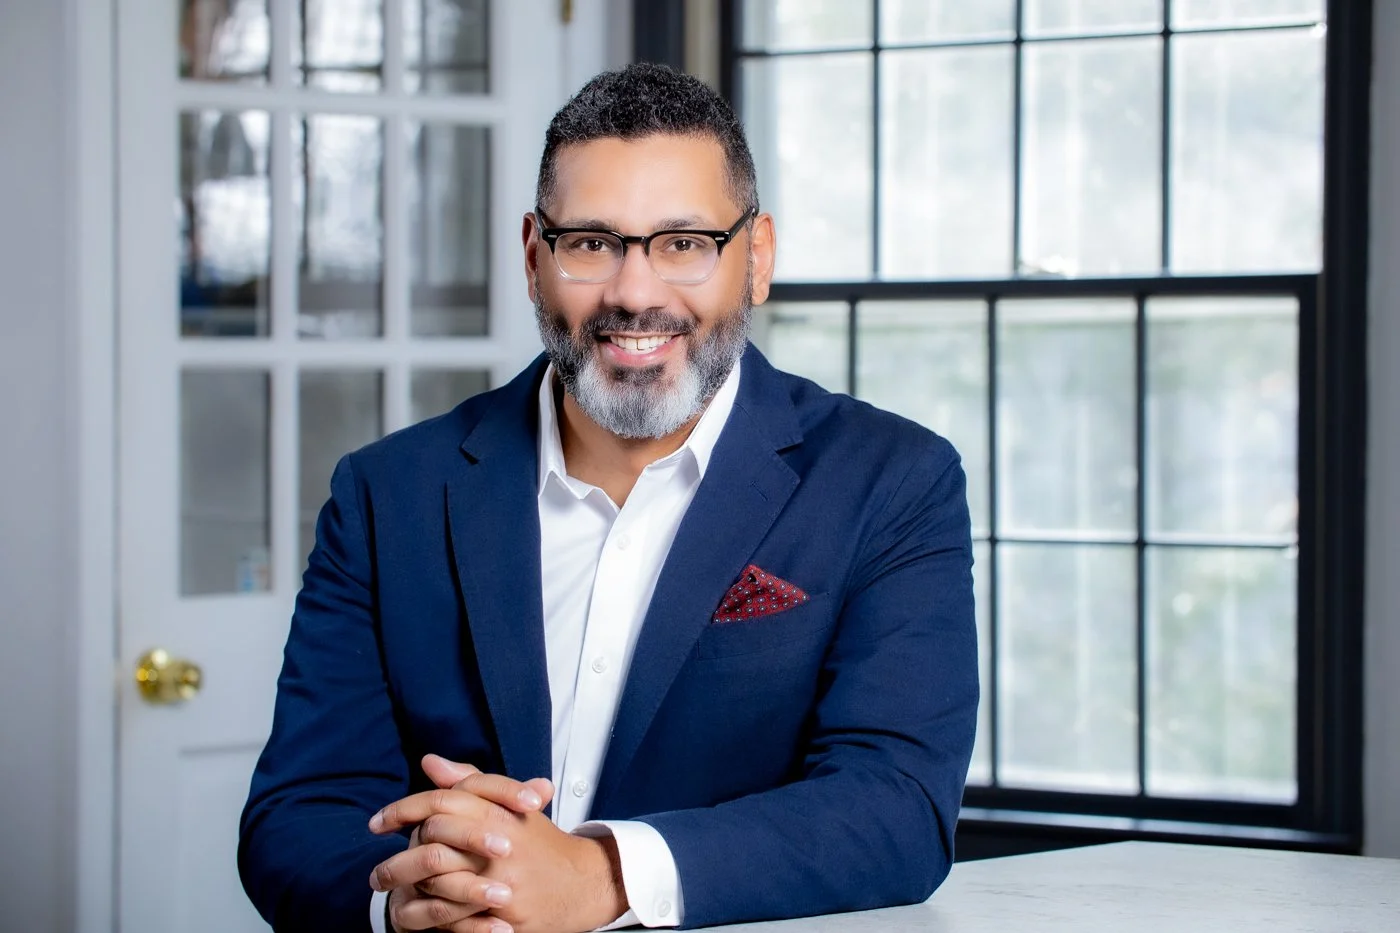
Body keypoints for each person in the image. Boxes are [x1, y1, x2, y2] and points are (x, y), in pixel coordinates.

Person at [238, 63, 978, 933]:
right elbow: (297, 814)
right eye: (591, 243)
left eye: (684, 243)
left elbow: (896, 808)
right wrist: (418, 894)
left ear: (757, 258)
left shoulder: (893, 481)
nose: (634, 292)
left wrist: (600, 875)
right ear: (533, 257)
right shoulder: (386, 494)